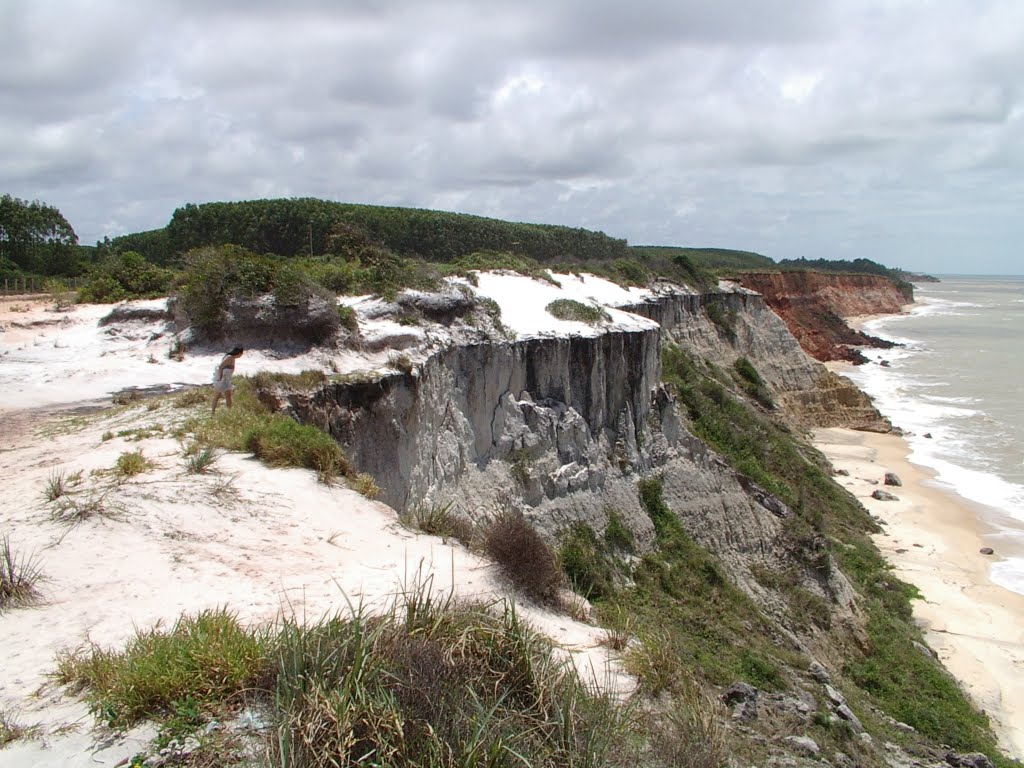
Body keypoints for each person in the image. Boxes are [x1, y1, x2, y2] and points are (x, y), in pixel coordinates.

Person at [211, 346, 244, 414]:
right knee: (217, 396)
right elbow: (220, 367)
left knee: (228, 396)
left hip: (227, 380)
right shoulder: (229, 357)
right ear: (239, 353)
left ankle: (229, 412)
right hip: (223, 379)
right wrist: (220, 378)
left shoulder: (232, 358)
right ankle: (213, 412)